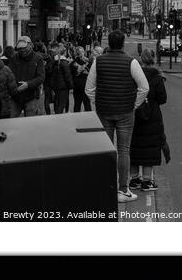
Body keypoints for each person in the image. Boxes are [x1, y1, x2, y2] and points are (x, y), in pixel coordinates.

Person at [85, 30, 149, 203]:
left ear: (109, 43)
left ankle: (107, 187)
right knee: (123, 150)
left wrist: (98, 101)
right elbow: (144, 88)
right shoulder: (132, 62)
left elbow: (89, 89)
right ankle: (123, 190)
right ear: (122, 44)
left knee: (106, 150)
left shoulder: (98, 61)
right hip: (125, 113)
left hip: (104, 111)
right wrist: (133, 104)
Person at [129, 48, 168, 191]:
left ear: (141, 58)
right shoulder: (157, 77)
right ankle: (147, 181)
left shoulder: (134, 75)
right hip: (152, 116)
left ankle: (134, 179)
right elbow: (162, 99)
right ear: (154, 58)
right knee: (150, 147)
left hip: (135, 114)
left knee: (134, 146)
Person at [8, 35, 45, 117]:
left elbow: (41, 77)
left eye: (24, 48)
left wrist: (28, 84)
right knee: (10, 121)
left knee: (30, 123)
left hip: (31, 96)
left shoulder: (38, 58)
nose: (22, 50)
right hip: (16, 95)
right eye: (20, 48)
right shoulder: (14, 58)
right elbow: (9, 74)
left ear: (31, 45)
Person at [46, 44, 73, 114]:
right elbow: (67, 76)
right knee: (61, 105)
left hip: (55, 86)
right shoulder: (64, 62)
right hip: (63, 87)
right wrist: (71, 86)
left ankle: (56, 116)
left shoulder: (54, 61)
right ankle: (58, 118)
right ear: (64, 53)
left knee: (57, 103)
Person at [70, 46, 91, 112]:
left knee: (77, 104)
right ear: (84, 52)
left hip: (77, 86)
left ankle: (76, 119)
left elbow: (71, 75)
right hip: (85, 85)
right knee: (87, 104)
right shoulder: (88, 62)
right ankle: (89, 118)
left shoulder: (73, 63)